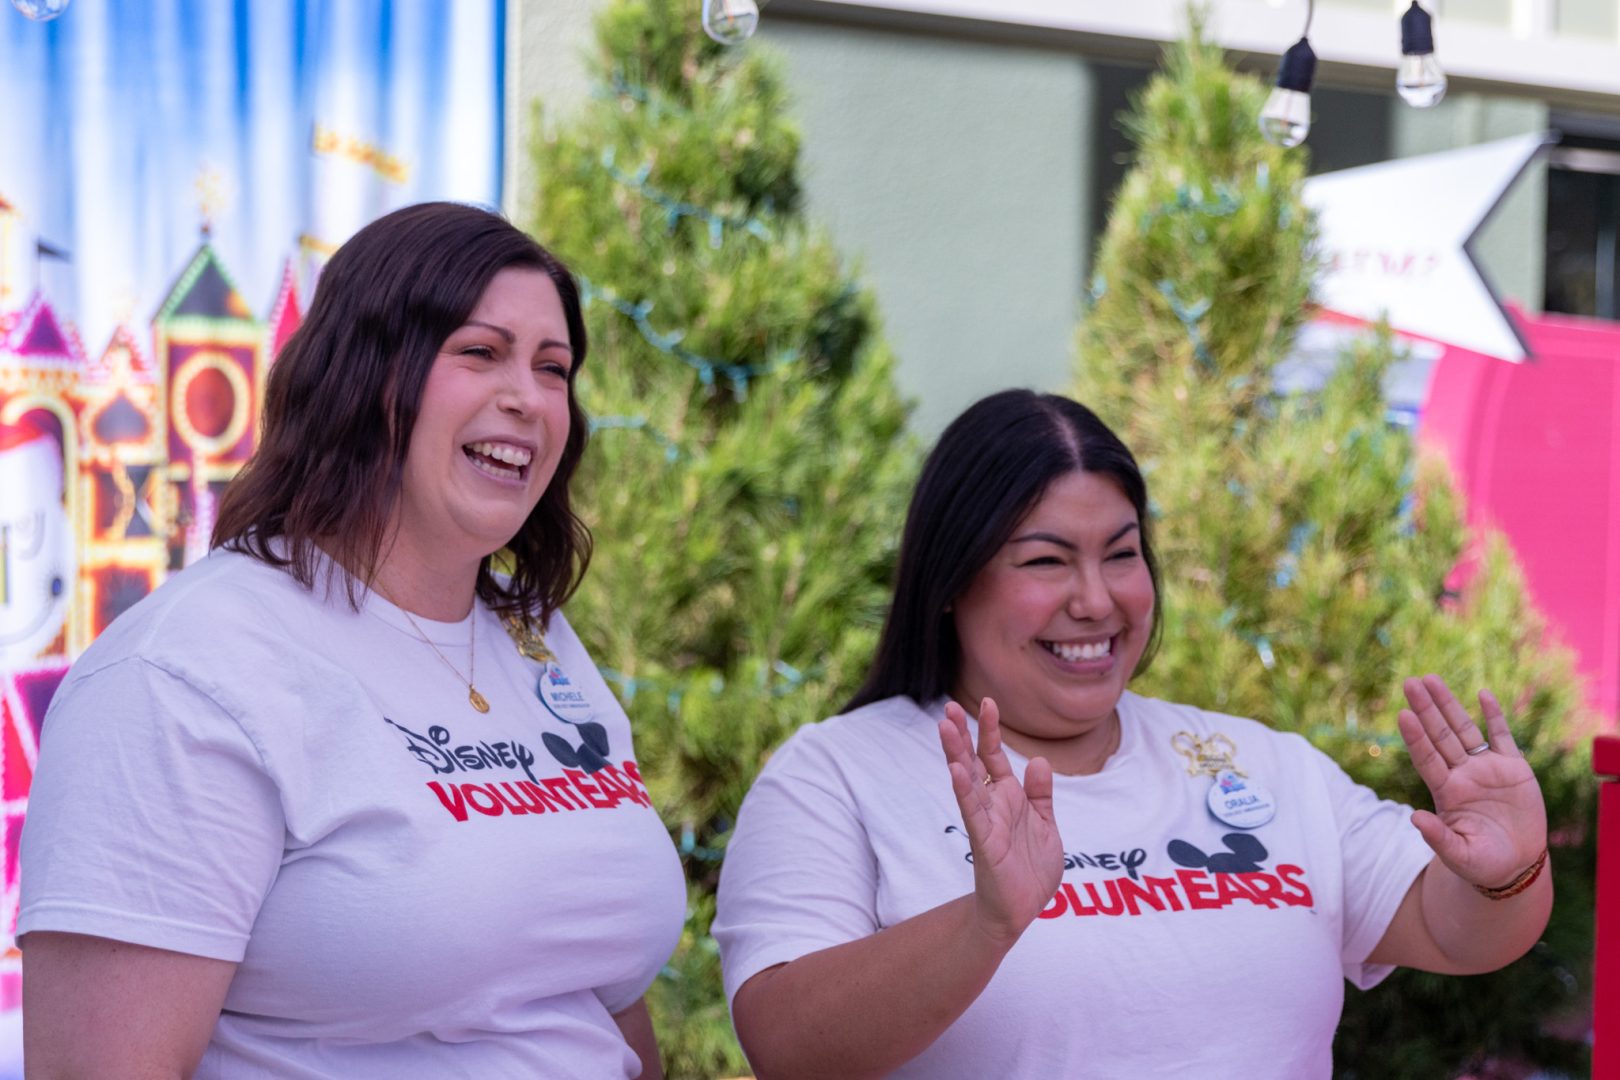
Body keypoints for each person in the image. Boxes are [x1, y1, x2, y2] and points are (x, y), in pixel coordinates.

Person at [18, 202, 684, 1078]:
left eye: (553, 368)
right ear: (366, 378)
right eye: (480, 352)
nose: (527, 397)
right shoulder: (183, 672)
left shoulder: (539, 634)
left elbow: (594, 998)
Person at [713, 389, 1551, 1078]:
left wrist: (1508, 871)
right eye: (1045, 561)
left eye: (1121, 554)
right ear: (949, 580)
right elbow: (786, 1045)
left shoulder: (1259, 763)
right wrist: (985, 924)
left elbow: (1449, 931)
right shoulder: (837, 775)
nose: (1096, 600)